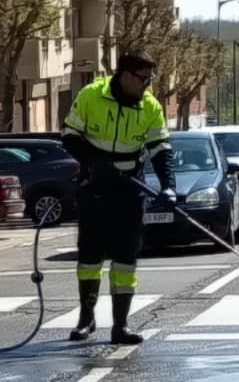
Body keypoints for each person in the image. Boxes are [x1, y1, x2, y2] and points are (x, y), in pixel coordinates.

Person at [59, 53, 175, 345]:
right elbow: (70, 137)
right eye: (143, 79)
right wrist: (95, 162)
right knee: (89, 256)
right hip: (95, 186)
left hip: (129, 188)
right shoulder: (91, 96)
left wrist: (168, 186)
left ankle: (120, 326)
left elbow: (161, 149)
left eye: (151, 79)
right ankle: (87, 318)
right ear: (124, 75)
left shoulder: (150, 107)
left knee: (126, 258)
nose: (147, 85)